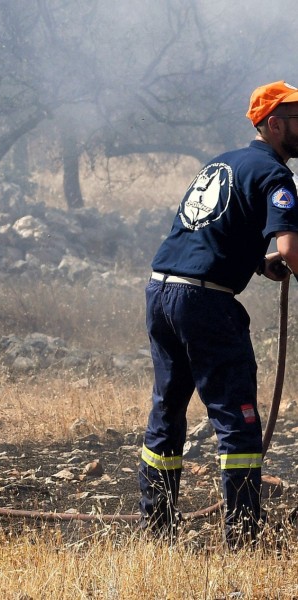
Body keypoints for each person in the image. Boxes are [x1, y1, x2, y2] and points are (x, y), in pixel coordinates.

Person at [139, 80, 298, 546]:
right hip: (204, 304)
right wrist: (283, 258)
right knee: (237, 417)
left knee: (167, 411)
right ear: (274, 124)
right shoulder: (275, 176)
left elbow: (206, 229)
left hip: (162, 291)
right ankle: (244, 539)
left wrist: (254, 263)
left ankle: (157, 528)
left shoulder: (223, 162)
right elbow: (291, 247)